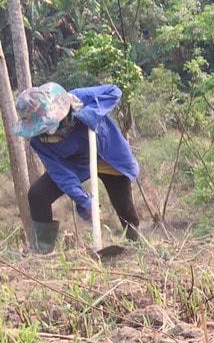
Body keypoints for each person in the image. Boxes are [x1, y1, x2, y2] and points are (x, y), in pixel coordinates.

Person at [14, 82, 140, 254]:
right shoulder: (37, 140)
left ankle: (137, 248)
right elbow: (61, 173)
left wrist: (90, 113)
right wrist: (83, 201)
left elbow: (114, 91)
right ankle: (41, 252)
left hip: (108, 155)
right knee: (37, 194)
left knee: (124, 208)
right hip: (76, 165)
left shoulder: (75, 99)